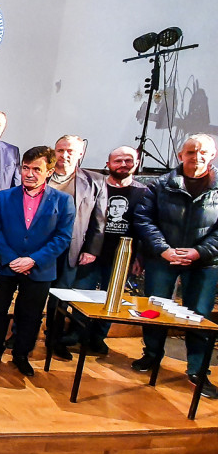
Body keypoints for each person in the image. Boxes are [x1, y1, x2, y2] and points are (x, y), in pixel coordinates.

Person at [132, 134, 218, 399]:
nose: (197, 157)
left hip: (204, 263)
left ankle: (197, 370)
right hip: (163, 258)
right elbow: (143, 219)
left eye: (203, 152)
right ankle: (152, 355)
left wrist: (198, 252)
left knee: (199, 316)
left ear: (212, 156)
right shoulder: (160, 184)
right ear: (181, 156)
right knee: (154, 310)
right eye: (191, 152)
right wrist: (164, 250)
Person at [0, 146, 75, 377]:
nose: (29, 173)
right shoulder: (3, 197)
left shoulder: (63, 201)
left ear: (49, 171)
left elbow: (62, 238)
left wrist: (32, 260)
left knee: (31, 315)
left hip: (39, 269)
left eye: (36, 169)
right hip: (6, 266)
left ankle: (21, 355)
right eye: (25, 168)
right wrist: (13, 259)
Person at [71, 146, 149, 354]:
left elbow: (144, 228)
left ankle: (98, 337)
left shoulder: (143, 193)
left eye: (128, 160)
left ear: (137, 163)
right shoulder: (94, 186)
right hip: (90, 253)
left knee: (110, 298)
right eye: (118, 160)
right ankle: (75, 334)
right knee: (81, 294)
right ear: (108, 164)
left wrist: (139, 257)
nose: (123, 164)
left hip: (122, 256)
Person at [44, 135, 107, 360]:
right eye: (60, 150)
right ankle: (23, 335)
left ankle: (54, 339)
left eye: (70, 151)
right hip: (39, 248)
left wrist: (92, 249)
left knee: (60, 297)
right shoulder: (42, 174)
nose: (65, 155)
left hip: (71, 248)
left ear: (81, 153)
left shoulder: (96, 181)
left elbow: (99, 221)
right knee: (31, 294)